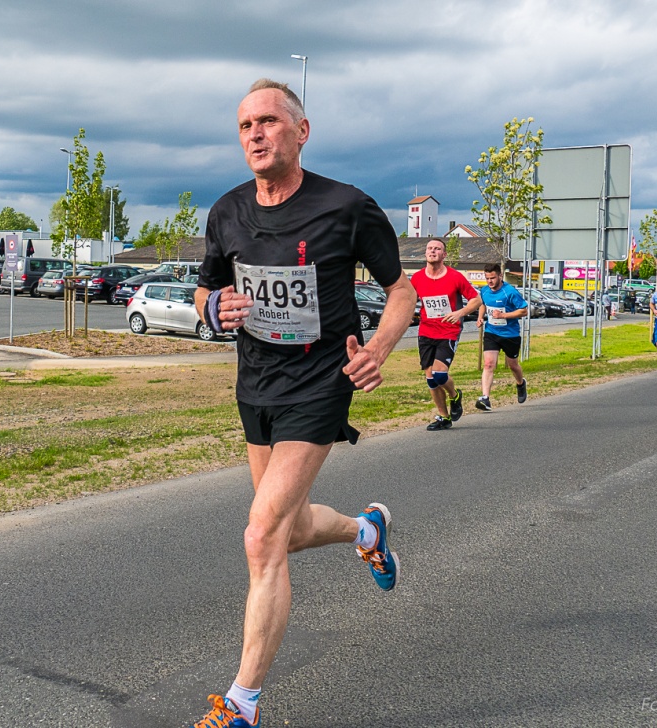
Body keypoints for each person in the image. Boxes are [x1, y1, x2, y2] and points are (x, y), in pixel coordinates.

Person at [192, 79, 417, 728]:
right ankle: (366, 530)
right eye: (244, 126)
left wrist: (378, 347)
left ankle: (242, 706)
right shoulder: (227, 212)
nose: (255, 134)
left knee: (260, 534)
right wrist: (216, 309)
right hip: (255, 389)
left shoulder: (345, 208)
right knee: (284, 533)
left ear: (301, 130)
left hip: (320, 387)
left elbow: (400, 292)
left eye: (267, 121)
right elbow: (207, 293)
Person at [409, 238, 480, 429]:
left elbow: (476, 299)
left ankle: (455, 395)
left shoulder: (455, 277)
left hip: (449, 331)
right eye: (429, 248)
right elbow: (408, 300)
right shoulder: (417, 278)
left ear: (444, 254)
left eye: (437, 249)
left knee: (440, 375)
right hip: (425, 331)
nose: (432, 251)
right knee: (430, 379)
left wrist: (460, 312)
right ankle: (444, 417)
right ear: (425, 253)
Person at [475, 263, 528, 410]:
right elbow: (483, 304)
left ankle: (520, 383)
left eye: (492, 278)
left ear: (500, 275)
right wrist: (480, 317)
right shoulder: (485, 291)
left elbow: (523, 311)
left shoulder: (510, 292)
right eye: (487, 278)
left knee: (513, 365)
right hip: (492, 332)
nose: (490, 281)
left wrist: (504, 315)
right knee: (489, 364)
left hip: (510, 334)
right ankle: (485, 398)